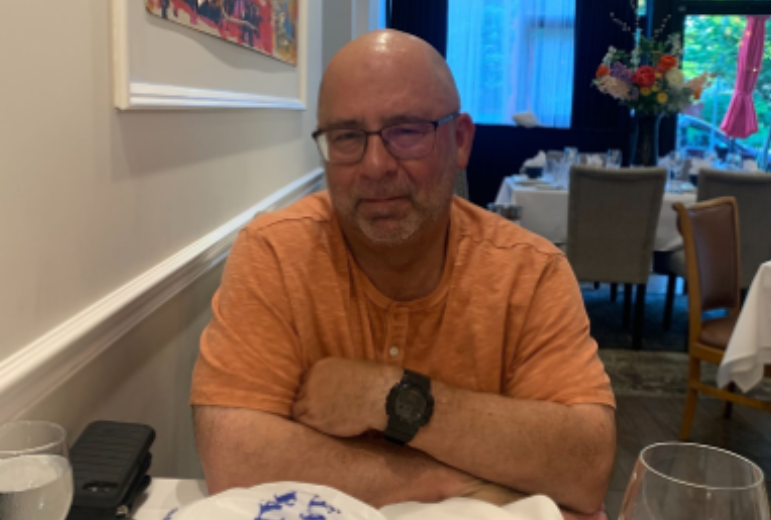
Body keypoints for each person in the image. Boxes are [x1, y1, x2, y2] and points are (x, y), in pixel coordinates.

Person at [191, 29, 616, 519]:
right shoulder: (274, 253)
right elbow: (231, 455)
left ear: (459, 142)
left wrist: (384, 396)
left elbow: (585, 466)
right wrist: (449, 484)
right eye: (347, 136)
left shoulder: (530, 271)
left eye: (406, 131)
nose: (374, 166)